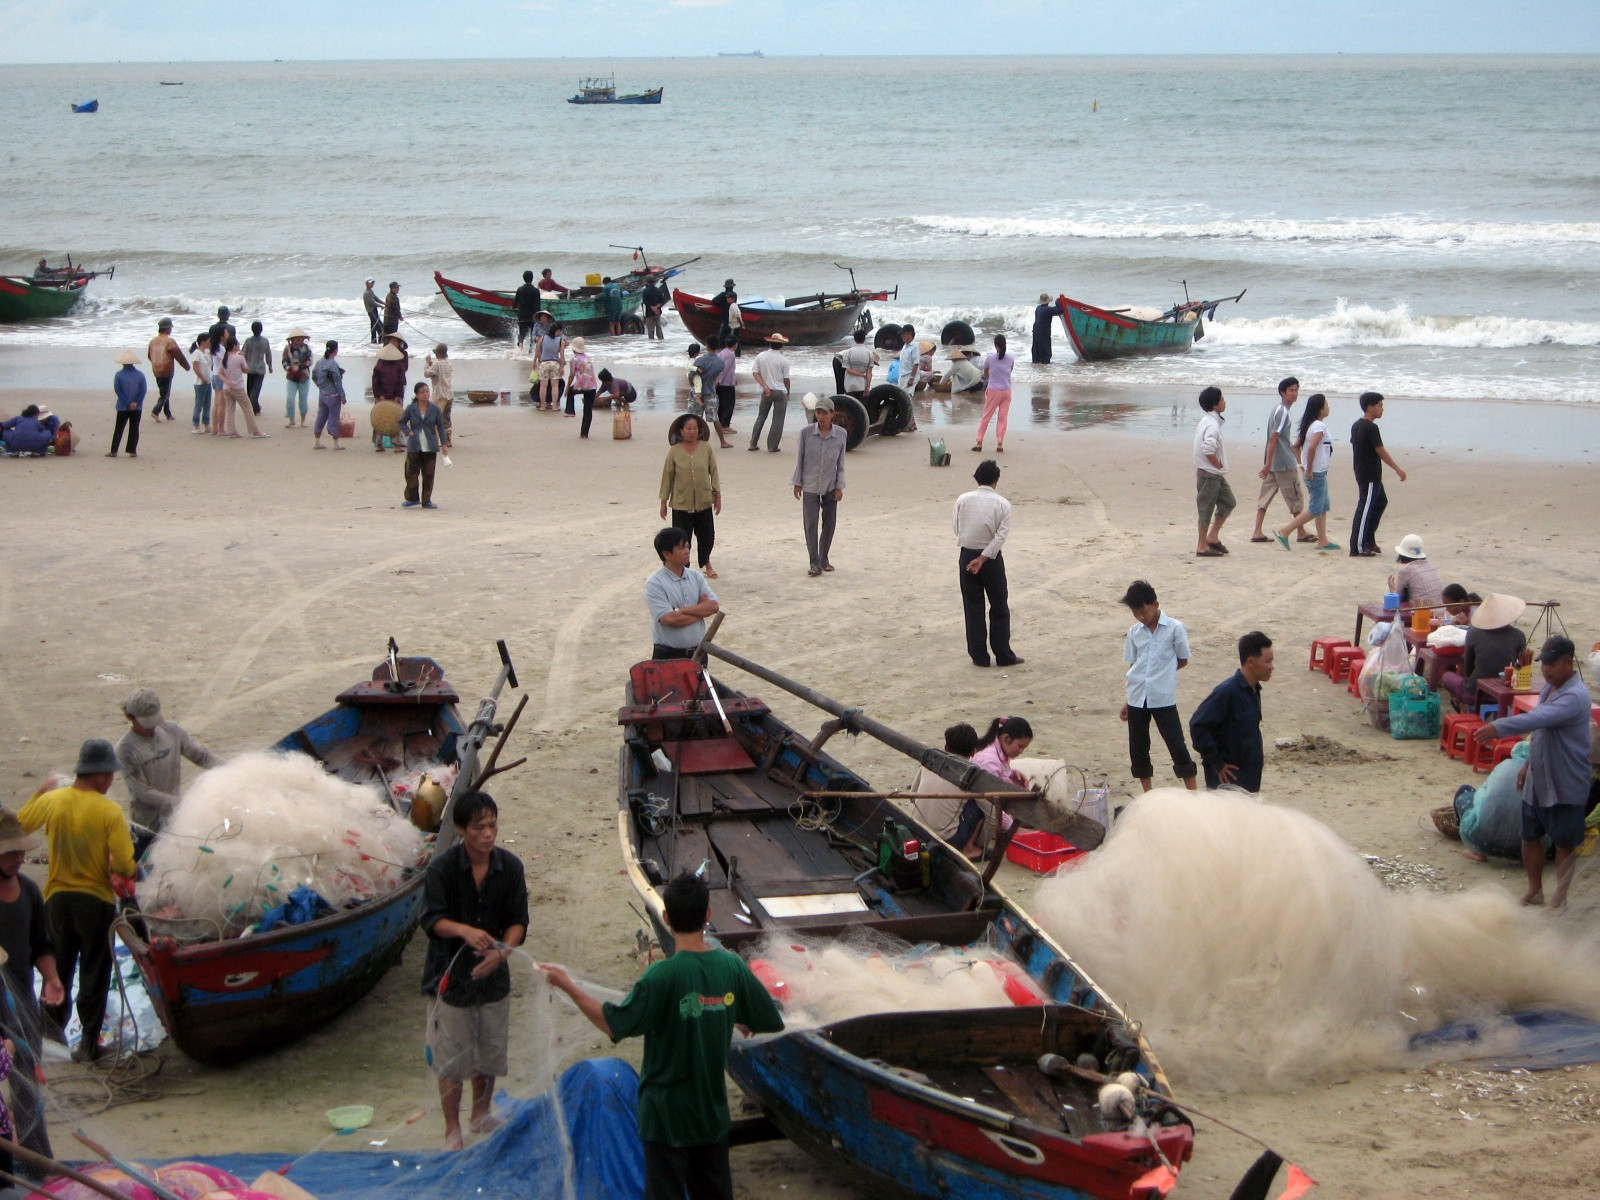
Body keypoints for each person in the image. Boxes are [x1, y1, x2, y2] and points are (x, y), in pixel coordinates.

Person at [539, 873, 784, 1200]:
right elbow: (769, 1018)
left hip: (665, 1119)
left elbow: (613, 1023)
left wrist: (568, 986)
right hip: (710, 1117)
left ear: (666, 917)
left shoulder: (661, 976)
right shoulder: (731, 967)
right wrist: (730, 1014)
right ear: (708, 914)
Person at [17, 739, 137, 1062]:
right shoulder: (109, 810)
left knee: (58, 969)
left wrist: (39, 793)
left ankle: (50, 1038)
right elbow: (125, 865)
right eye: (110, 775)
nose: (111, 780)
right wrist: (121, 868)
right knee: (95, 971)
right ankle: (88, 1044)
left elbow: (20, 825)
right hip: (95, 902)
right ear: (98, 775)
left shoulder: (53, 800)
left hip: (56, 901)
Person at [419, 791, 527, 1151]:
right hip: (452, 980)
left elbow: (518, 922)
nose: (488, 834)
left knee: (489, 1052)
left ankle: (481, 1114)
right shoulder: (442, 869)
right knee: (452, 1059)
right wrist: (464, 931)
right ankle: (452, 1129)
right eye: (479, 827)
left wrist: (502, 953)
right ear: (462, 829)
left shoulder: (510, 867)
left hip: (493, 980)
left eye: (492, 825)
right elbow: (431, 920)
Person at [1473, 637, 1594, 909]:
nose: (1546, 669)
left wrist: (1498, 727)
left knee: (1564, 844)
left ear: (1568, 663)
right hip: (1538, 776)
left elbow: (1537, 719)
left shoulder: (1575, 696)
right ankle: (1534, 890)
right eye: (1543, 663)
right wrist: (1528, 763)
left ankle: (1559, 899)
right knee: (1530, 837)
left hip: (1565, 781)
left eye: (1552, 664)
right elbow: (1540, 732)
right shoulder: (1549, 689)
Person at [0, 808, 63, 1174]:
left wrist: (52, 978)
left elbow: (41, 944)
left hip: (20, 1003)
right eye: (10, 852)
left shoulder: (29, 891)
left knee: (27, 1083)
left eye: (20, 850)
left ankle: (36, 1163)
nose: (19, 857)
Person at [115, 688, 223, 857]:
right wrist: (181, 802)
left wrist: (233, 768)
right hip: (147, 828)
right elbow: (143, 792)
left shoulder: (172, 731)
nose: (152, 727)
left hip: (174, 821)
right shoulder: (125, 750)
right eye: (146, 722)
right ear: (130, 717)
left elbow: (202, 756)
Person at [1119, 580, 1199, 793]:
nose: (1140, 617)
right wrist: (1128, 700)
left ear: (1155, 604)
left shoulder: (1175, 628)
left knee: (1176, 744)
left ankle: (1193, 793)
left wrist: (1163, 675)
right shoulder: (1134, 632)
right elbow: (1135, 666)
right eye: (1135, 613)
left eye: (1143, 612)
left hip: (1163, 696)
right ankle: (1148, 793)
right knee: (1138, 747)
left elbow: (1182, 659)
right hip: (1137, 696)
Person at [954, 460, 1021, 668]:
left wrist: (974, 553)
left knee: (973, 607)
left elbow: (957, 528)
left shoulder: (963, 499)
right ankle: (1003, 654)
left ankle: (979, 656)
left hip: (967, 555)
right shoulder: (1002, 504)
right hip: (991, 559)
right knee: (999, 606)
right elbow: (1001, 536)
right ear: (996, 481)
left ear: (977, 478)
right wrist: (984, 557)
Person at [1189, 631, 1274, 793]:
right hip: (1228, 783)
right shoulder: (1227, 692)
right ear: (1250, 662)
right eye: (1268, 661)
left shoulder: (1254, 690)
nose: (1272, 667)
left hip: (1249, 778)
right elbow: (1197, 725)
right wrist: (1217, 764)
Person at [907, 723, 985, 858]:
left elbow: (912, 795)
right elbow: (992, 815)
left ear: (946, 747)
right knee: (979, 806)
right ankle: (969, 848)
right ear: (973, 752)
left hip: (916, 830)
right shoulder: (972, 774)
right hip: (947, 841)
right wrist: (983, 841)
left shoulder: (930, 762)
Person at [1272, 392, 1338, 551]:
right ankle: (1285, 531)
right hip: (1316, 474)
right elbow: (1312, 448)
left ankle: (1322, 540)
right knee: (1315, 509)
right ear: (1320, 408)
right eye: (1326, 404)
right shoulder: (1319, 426)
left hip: (1317, 472)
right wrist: (1308, 469)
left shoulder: (1310, 425)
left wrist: (1302, 465)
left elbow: (1296, 447)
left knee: (1322, 507)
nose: (1328, 407)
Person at [1440, 593, 1530, 710]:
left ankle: (1461, 704)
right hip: (1505, 693)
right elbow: (1521, 667)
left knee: (1446, 676)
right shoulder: (1519, 635)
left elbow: (1468, 669)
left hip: (1475, 694)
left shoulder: (1473, 633)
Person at [660, 414, 722, 579]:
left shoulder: (706, 448)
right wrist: (664, 502)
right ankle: (683, 569)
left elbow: (714, 471)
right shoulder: (674, 451)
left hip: (704, 501)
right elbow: (667, 477)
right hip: (681, 503)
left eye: (695, 428)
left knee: (707, 536)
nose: (692, 432)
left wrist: (717, 495)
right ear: (681, 431)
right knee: (681, 539)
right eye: (688, 428)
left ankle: (706, 563)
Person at [792, 396, 847, 578]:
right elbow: (800, 459)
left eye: (824, 413)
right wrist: (797, 483)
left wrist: (839, 486)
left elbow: (841, 463)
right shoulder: (806, 433)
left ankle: (824, 558)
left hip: (831, 484)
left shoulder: (841, 434)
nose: (821, 416)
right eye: (818, 412)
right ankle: (814, 563)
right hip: (809, 484)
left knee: (829, 523)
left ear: (832, 414)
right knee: (810, 524)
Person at [645, 527, 719, 660]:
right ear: (667, 554)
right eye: (681, 548)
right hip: (668, 655)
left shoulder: (695, 576)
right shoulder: (655, 583)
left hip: (698, 653)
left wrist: (679, 610)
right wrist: (700, 612)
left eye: (687, 546)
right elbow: (669, 619)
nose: (687, 551)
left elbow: (713, 606)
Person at [1249, 377, 1306, 543]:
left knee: (1264, 498)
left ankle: (1257, 531)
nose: (1294, 393)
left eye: (1296, 390)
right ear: (1283, 392)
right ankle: (1301, 532)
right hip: (1283, 463)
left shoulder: (1277, 409)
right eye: (1291, 390)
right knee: (1295, 497)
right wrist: (1267, 463)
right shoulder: (1283, 412)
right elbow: (1274, 438)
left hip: (1274, 462)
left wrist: (1268, 462)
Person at [1350, 391, 1406, 558]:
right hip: (1369, 474)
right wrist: (1397, 468)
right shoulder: (1370, 427)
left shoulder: (1357, 425)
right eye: (1380, 406)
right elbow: (1380, 451)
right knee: (1365, 508)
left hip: (1365, 472)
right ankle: (1357, 547)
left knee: (1380, 502)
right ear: (1370, 407)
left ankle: (1369, 539)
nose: (1382, 409)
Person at [1193, 386, 1233, 558]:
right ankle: (1202, 545)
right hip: (1209, 474)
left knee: (1229, 502)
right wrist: (1217, 464)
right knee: (1206, 509)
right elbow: (1208, 448)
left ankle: (1212, 536)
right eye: (1222, 399)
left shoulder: (1209, 421)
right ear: (1215, 405)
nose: (1225, 402)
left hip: (1214, 474)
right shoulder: (1212, 425)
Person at [399, 382, 450, 510]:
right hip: (414, 445)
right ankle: (412, 498)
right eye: (422, 392)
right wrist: (408, 432)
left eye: (427, 391)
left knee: (428, 475)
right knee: (411, 473)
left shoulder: (435, 409)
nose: (426, 394)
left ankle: (426, 501)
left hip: (430, 446)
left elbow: (441, 427)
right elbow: (402, 422)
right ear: (417, 394)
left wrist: (444, 444)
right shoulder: (411, 408)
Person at [748, 334, 791, 452]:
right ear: (781, 345)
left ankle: (753, 443)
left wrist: (765, 386)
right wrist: (788, 392)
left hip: (766, 391)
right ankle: (772, 446)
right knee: (778, 420)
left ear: (770, 343)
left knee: (761, 417)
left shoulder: (761, 356)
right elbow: (786, 379)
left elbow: (755, 373)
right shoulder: (784, 360)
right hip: (780, 391)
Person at [219, 335, 266, 439]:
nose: (239, 345)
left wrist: (227, 381)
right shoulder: (239, 357)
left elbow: (220, 373)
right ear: (234, 346)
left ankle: (232, 432)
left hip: (226, 388)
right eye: (237, 344)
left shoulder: (224, 358)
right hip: (237, 387)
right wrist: (243, 357)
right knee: (248, 408)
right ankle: (255, 431)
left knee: (230, 409)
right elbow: (246, 370)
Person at [974, 335, 1015, 453]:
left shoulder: (990, 358)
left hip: (993, 391)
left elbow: (986, 373)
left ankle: (979, 441)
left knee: (986, 416)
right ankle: (1000, 443)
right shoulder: (1011, 358)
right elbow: (1010, 370)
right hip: (1006, 391)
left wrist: (993, 377)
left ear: (996, 345)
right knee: (1003, 418)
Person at [145, 318, 189, 423]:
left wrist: (155, 363)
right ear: (167, 329)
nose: (171, 330)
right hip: (166, 370)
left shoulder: (152, 341)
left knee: (164, 391)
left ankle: (168, 413)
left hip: (156, 369)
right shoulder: (169, 341)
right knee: (165, 394)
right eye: (170, 328)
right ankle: (156, 411)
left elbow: (149, 356)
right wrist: (186, 366)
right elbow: (178, 355)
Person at [971, 716, 1033, 790]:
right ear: (1007, 738)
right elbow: (991, 791)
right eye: (1020, 746)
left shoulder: (1000, 751)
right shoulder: (989, 761)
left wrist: (1011, 774)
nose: (1021, 751)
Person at [690, 341, 731, 446]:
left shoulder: (700, 360)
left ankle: (695, 441)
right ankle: (723, 442)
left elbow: (691, 375)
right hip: (710, 391)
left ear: (707, 346)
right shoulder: (721, 362)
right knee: (715, 418)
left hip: (697, 392)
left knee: (695, 418)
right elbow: (716, 376)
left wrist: (692, 384)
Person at [108, 349, 146, 458]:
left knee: (119, 429)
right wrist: (136, 402)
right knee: (134, 428)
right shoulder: (140, 375)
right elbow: (143, 390)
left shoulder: (119, 375)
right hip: (137, 407)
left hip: (122, 406)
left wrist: (127, 403)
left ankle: (114, 451)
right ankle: (132, 451)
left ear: (123, 363)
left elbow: (118, 391)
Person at [1387, 534, 1444, 607]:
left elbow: (1397, 598)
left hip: (1423, 611)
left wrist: (1392, 589)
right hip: (1441, 610)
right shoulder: (1431, 566)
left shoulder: (1406, 571)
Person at [372, 342, 409, 448]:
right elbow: (401, 382)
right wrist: (397, 396)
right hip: (395, 396)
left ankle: (379, 443)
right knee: (396, 419)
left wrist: (379, 395)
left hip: (381, 397)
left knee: (379, 418)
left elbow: (375, 383)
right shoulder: (399, 366)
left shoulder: (378, 366)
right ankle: (396, 444)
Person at [312, 340, 347, 450]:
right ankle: (336, 443)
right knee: (334, 418)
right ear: (336, 350)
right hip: (333, 395)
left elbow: (313, 376)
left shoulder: (319, 362)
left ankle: (317, 441)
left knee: (321, 417)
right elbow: (337, 381)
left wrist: (320, 386)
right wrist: (342, 395)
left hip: (322, 394)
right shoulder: (333, 364)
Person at [282, 328, 313, 428]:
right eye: (297, 338)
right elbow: (284, 361)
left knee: (303, 399)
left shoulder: (306, 348)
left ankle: (303, 421)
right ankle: (291, 420)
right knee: (290, 399)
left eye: (301, 338)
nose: (299, 339)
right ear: (292, 339)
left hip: (304, 377)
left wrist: (299, 367)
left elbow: (310, 361)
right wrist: (289, 369)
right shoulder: (287, 349)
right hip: (291, 377)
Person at [424, 344, 454, 442]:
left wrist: (427, 363)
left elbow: (426, 374)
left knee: (435, 418)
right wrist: (431, 366)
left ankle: (435, 439)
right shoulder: (448, 364)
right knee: (446, 418)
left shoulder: (437, 364)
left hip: (439, 396)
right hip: (449, 394)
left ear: (438, 354)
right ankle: (447, 440)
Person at [534, 320, 566, 411]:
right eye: (561, 331)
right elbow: (562, 355)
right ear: (558, 330)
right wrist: (562, 367)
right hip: (555, 363)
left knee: (543, 386)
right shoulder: (560, 340)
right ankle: (554, 406)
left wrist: (534, 361)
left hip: (544, 363)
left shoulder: (543, 337)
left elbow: (537, 350)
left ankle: (542, 406)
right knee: (554, 386)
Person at [242, 321, 273, 416]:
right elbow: (268, 355)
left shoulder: (249, 341)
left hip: (253, 369)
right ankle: (256, 408)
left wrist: (243, 365)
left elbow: (243, 354)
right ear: (261, 329)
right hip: (255, 369)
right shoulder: (264, 341)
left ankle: (256, 409)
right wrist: (270, 365)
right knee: (251, 392)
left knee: (253, 392)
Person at [839, 329, 875, 400]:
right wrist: (867, 387)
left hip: (850, 386)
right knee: (861, 405)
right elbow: (869, 372)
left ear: (854, 339)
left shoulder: (848, 352)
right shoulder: (869, 353)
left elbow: (848, 369)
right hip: (862, 385)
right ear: (864, 339)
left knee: (851, 405)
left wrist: (862, 374)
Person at [189, 332, 213, 434]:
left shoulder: (207, 352)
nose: (210, 343)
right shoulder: (197, 353)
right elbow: (195, 367)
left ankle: (207, 425)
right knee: (199, 404)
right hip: (200, 383)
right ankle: (196, 425)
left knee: (207, 404)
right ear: (203, 342)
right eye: (208, 341)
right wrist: (202, 378)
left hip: (208, 382)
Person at [714, 337, 738, 435]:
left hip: (722, 383)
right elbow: (725, 368)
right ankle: (725, 426)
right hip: (726, 383)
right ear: (735, 345)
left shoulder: (722, 352)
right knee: (729, 405)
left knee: (721, 404)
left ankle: (721, 424)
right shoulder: (731, 354)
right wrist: (719, 380)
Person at [513, 271, 540, 350]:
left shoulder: (520, 290)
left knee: (522, 334)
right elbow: (537, 306)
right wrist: (538, 316)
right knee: (533, 334)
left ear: (524, 278)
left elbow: (514, 304)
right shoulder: (535, 290)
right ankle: (531, 351)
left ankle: (520, 343)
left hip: (522, 316)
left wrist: (512, 307)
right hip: (532, 316)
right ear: (532, 278)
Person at [1032, 293, 1061, 364]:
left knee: (1036, 354)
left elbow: (1053, 309)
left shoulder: (1038, 308)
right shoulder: (1048, 309)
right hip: (1044, 334)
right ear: (1048, 301)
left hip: (1035, 332)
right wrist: (1058, 302)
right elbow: (1060, 310)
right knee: (1046, 355)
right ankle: (1045, 368)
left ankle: (1036, 368)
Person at [896, 324, 922, 395]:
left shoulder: (914, 347)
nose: (902, 336)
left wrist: (911, 378)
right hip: (902, 374)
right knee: (900, 395)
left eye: (903, 334)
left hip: (910, 375)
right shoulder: (905, 346)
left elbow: (916, 363)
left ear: (909, 334)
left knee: (907, 395)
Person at [641, 276, 669, 341]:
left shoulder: (645, 291)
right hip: (658, 311)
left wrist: (652, 307)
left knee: (650, 329)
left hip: (649, 312)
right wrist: (657, 307)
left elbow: (645, 301)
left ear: (647, 282)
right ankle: (661, 340)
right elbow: (662, 300)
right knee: (659, 327)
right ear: (654, 282)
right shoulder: (658, 290)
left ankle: (651, 342)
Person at [712, 279, 738, 347]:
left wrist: (720, 306)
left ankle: (720, 347)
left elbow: (714, 300)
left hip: (725, 318)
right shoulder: (734, 295)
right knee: (730, 335)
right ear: (732, 287)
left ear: (726, 287)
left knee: (722, 335)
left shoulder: (722, 294)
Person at [362, 278, 382, 344]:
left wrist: (384, 303)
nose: (372, 284)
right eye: (371, 283)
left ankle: (373, 343)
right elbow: (372, 303)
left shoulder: (370, 291)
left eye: (373, 283)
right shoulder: (366, 293)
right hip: (371, 312)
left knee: (373, 328)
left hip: (374, 311)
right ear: (366, 283)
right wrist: (381, 306)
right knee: (380, 328)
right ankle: (380, 343)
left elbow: (376, 299)